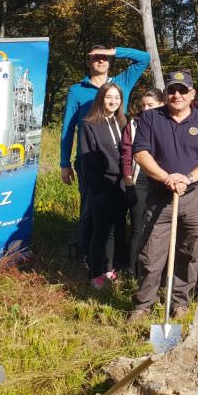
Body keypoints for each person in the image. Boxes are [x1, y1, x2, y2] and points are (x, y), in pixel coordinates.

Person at [128, 71, 198, 322]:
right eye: (172, 90)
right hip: (160, 196)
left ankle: (180, 301)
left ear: (192, 94)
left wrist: (188, 177)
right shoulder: (150, 118)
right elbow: (141, 154)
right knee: (151, 252)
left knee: (190, 250)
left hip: (194, 196)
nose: (177, 95)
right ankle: (143, 304)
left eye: (182, 90)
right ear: (166, 93)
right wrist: (165, 177)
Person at [60, 45, 150, 263]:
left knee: (119, 209)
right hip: (89, 160)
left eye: (104, 58)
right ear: (89, 61)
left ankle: (114, 258)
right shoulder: (77, 90)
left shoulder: (122, 83)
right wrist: (64, 163)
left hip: (120, 159)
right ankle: (85, 256)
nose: (101, 61)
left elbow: (144, 58)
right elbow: (68, 128)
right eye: (96, 57)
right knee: (90, 209)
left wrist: (114, 51)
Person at [78, 83, 129, 288]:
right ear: (101, 98)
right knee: (100, 231)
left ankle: (110, 267)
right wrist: (96, 189)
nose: (113, 101)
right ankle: (95, 272)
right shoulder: (89, 124)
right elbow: (87, 160)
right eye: (109, 97)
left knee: (117, 229)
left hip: (121, 184)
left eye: (117, 97)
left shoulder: (124, 122)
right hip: (101, 186)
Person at [120, 89, 165, 277]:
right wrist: (128, 179)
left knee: (157, 227)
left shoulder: (167, 123)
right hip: (139, 180)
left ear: (162, 105)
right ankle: (132, 270)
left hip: (160, 180)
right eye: (144, 105)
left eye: (151, 105)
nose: (146, 109)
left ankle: (154, 270)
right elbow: (126, 153)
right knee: (138, 227)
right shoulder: (133, 124)